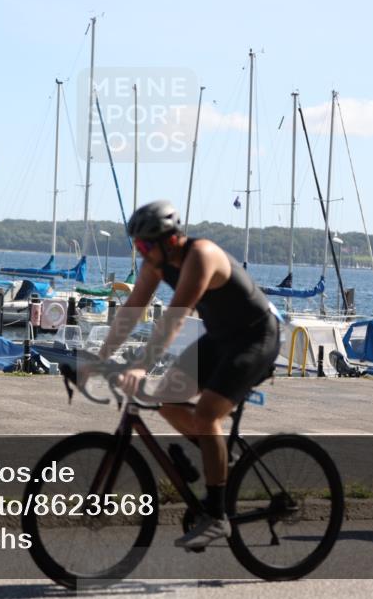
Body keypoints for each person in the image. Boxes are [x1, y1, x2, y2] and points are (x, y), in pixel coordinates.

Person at [92, 200, 279, 550]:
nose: (141, 252)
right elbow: (133, 308)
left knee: (206, 414)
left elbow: (175, 318)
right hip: (220, 338)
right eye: (137, 246)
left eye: (144, 245)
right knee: (166, 399)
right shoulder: (156, 263)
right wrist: (98, 357)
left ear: (169, 240)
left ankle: (217, 516)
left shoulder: (201, 256)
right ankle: (221, 459)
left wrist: (140, 366)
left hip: (255, 338)